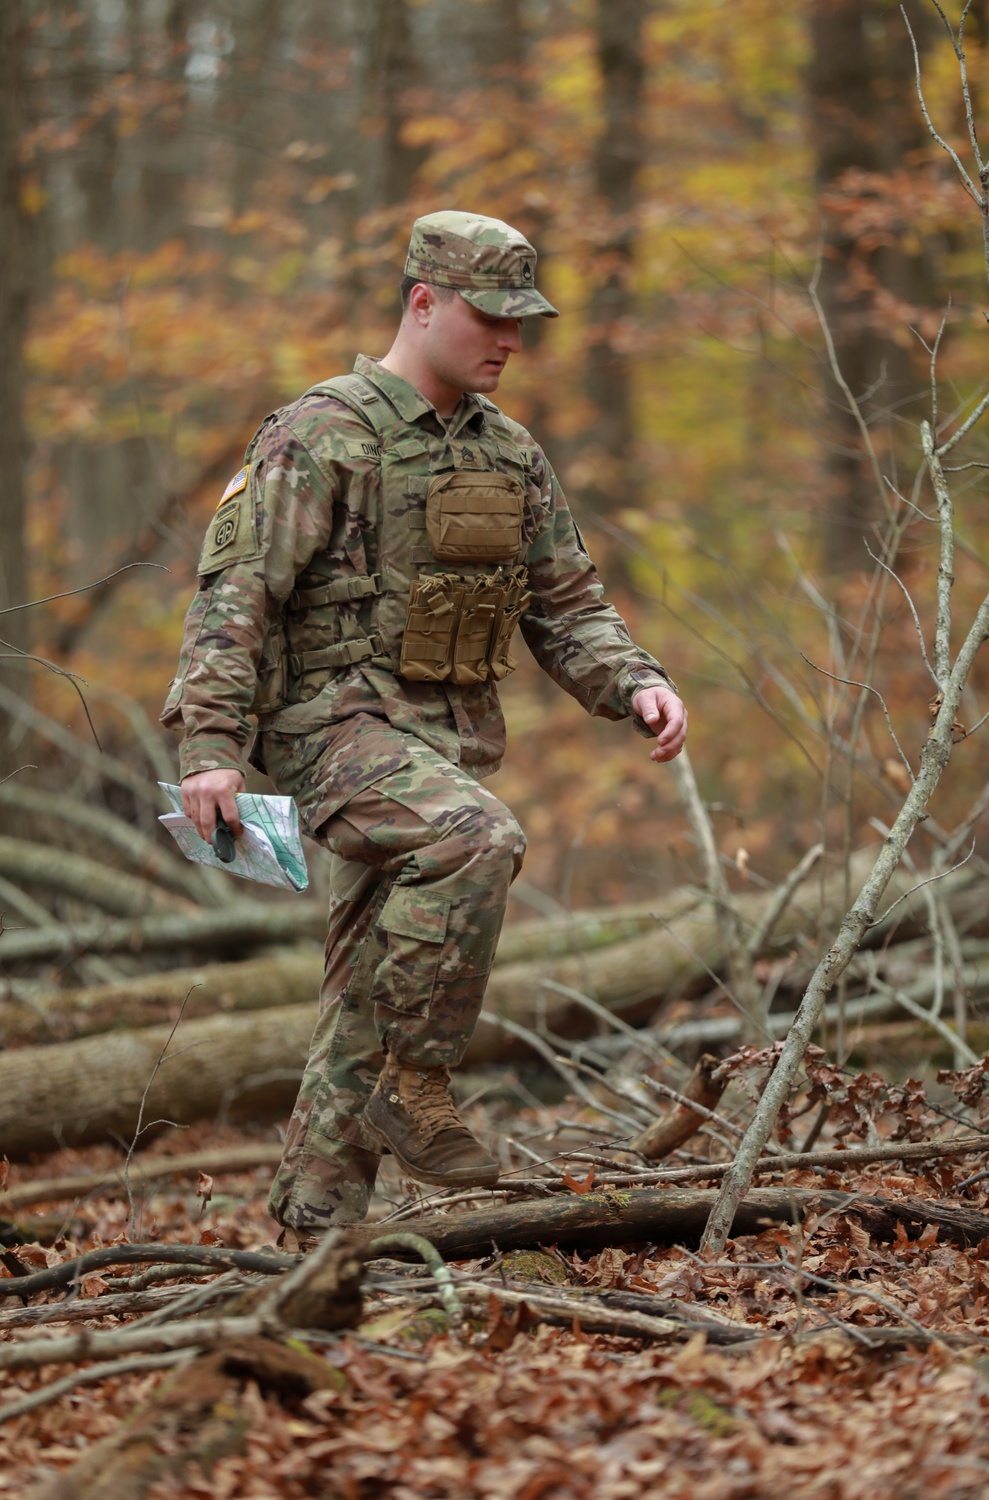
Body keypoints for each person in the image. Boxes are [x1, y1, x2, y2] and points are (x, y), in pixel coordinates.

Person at [161, 210, 687, 1249]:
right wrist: (210, 747)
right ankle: (420, 1084)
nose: (508, 341)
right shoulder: (319, 433)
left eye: (522, 322)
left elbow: (565, 602)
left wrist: (635, 681)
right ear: (422, 303)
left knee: (368, 988)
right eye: (488, 316)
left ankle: (318, 1245)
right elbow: (235, 600)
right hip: (328, 732)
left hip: (435, 746)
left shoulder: (510, 453)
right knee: (474, 838)